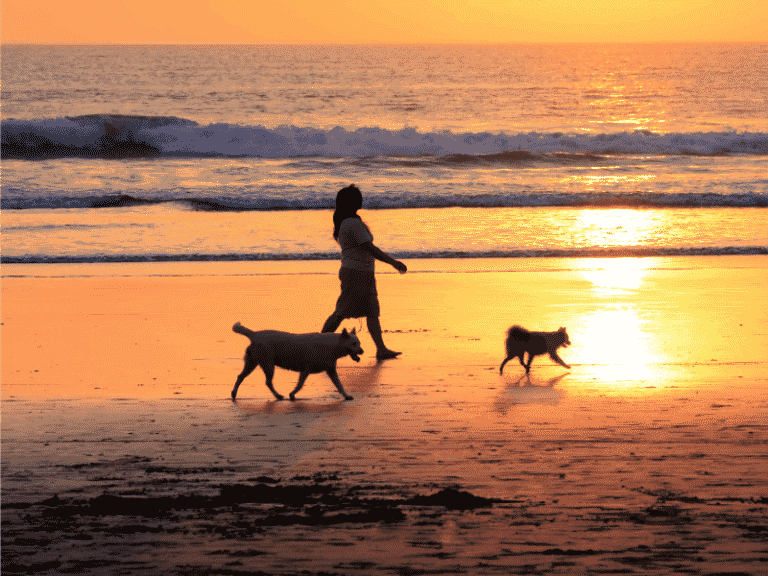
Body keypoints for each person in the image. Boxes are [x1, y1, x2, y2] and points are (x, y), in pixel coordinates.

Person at [321, 184, 407, 360]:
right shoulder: (352, 223)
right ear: (350, 202)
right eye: (357, 197)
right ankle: (319, 344)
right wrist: (393, 262)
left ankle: (381, 349)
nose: (361, 199)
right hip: (355, 274)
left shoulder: (351, 221)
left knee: (372, 311)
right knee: (341, 312)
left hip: (363, 273)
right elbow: (370, 248)